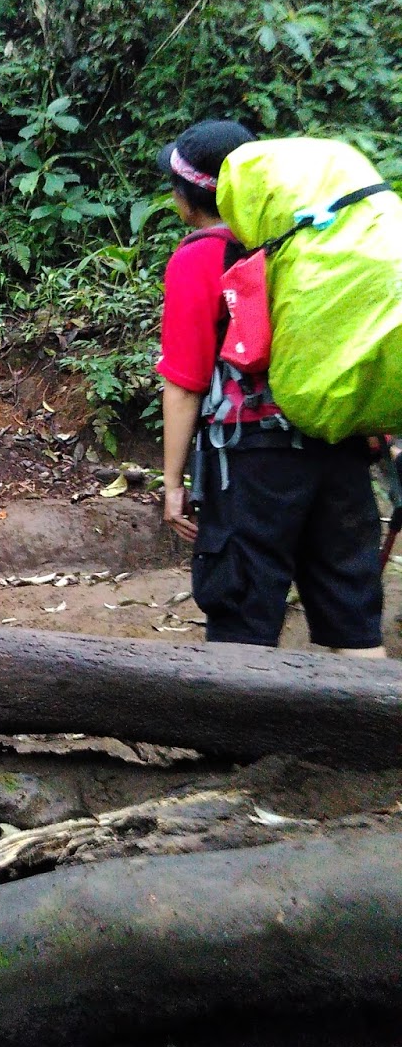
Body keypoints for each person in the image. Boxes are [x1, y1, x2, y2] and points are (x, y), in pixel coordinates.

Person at [156, 119, 385, 657]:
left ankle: (237, 744)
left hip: (256, 465)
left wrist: (172, 485)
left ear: (190, 194)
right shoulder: (315, 241)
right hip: (343, 450)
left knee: (242, 622)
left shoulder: (200, 256)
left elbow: (184, 383)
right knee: (353, 622)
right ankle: (369, 739)